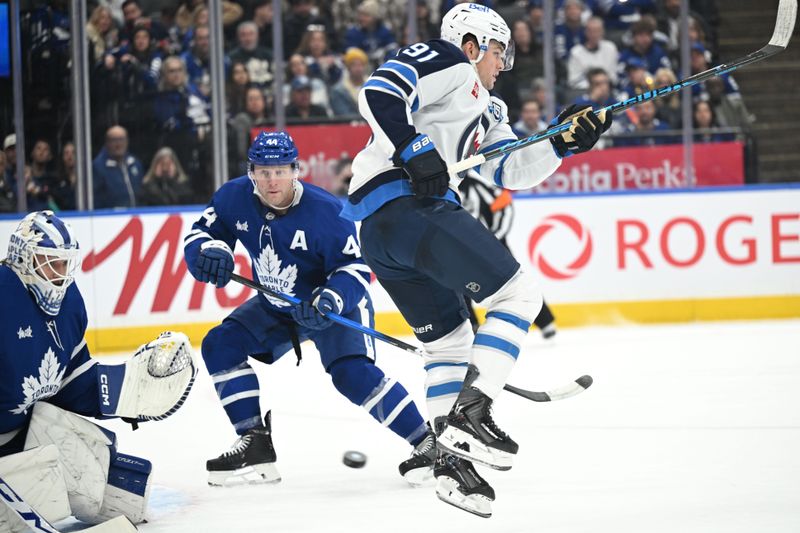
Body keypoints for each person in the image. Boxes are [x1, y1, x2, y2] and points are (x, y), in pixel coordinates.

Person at [342, 3, 611, 517]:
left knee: (450, 341)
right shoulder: (449, 61)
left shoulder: (488, 108)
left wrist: (562, 142)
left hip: (386, 233)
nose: (499, 65)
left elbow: (511, 169)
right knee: (520, 294)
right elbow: (378, 92)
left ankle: (448, 460)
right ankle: (472, 412)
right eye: (497, 53)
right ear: (472, 44)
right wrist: (413, 144)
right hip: (410, 206)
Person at [183, 131, 434, 488]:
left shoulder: (327, 212)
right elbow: (201, 234)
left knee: (352, 375)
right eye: (264, 171)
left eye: (280, 171)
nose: (272, 180)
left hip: (330, 306)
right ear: (251, 171)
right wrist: (209, 254)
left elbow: (356, 268)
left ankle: (427, 441)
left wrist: (330, 299)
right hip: (276, 304)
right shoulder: (233, 197)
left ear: (295, 170)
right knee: (220, 344)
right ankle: (254, 442)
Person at [0, 211, 196, 529]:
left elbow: (68, 381)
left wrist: (128, 391)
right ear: (24, 260)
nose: (61, 275)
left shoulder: (69, 302)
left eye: (66, 264)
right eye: (51, 263)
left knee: (126, 495)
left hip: (24, 431)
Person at [458, 171, 557, 339]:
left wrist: (494, 238)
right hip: (460, 246)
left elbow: (505, 204)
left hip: (492, 243)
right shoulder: (445, 184)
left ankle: (545, 321)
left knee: (514, 281)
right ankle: (471, 326)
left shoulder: (477, 181)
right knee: (457, 282)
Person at [92, 125, 144, 209]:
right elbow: (96, 199)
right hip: (110, 218)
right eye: (114, 140)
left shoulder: (134, 163)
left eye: (121, 139)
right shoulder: (98, 167)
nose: (118, 144)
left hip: (135, 216)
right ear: (107, 143)